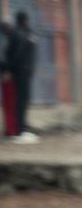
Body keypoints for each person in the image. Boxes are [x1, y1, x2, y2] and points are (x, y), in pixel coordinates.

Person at [3, 12, 38, 145]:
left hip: (22, 72)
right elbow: (17, 55)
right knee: (20, 101)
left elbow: (14, 54)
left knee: (22, 100)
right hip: (21, 73)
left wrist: (10, 69)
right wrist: (9, 69)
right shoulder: (23, 34)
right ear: (24, 20)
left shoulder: (23, 33)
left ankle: (21, 128)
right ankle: (19, 130)